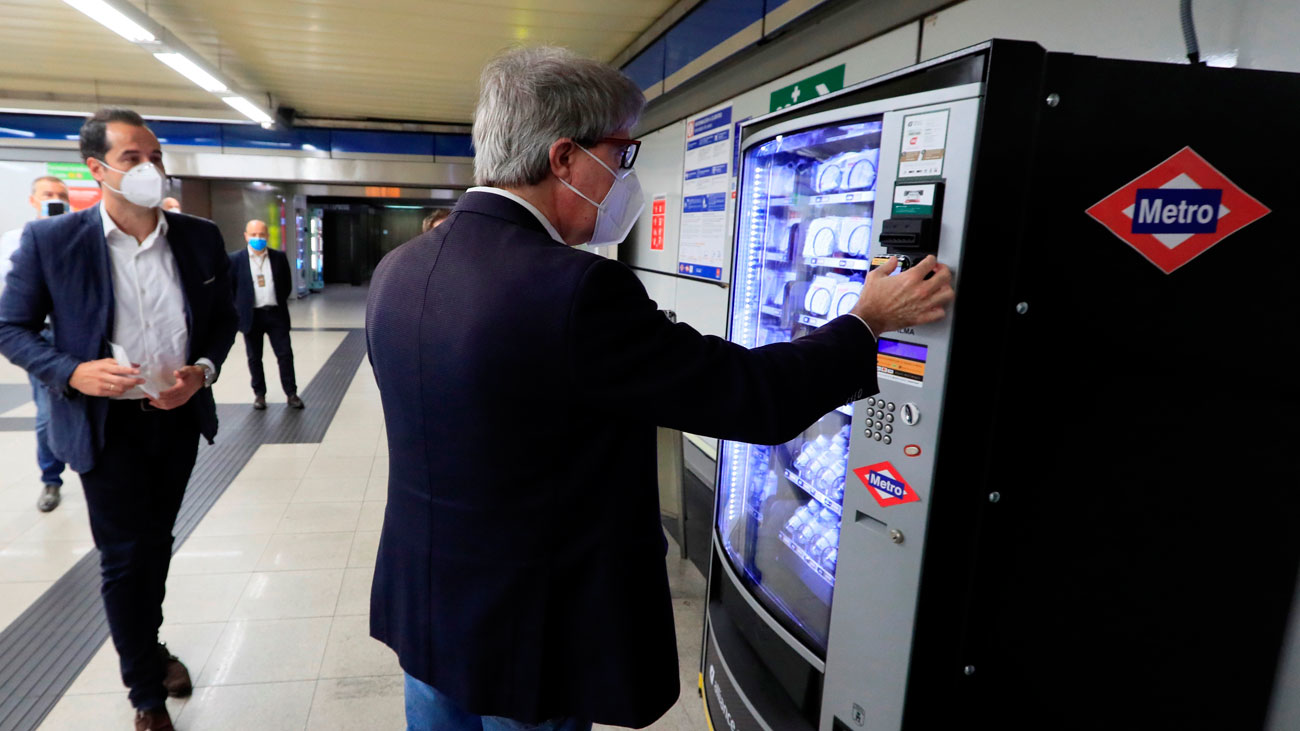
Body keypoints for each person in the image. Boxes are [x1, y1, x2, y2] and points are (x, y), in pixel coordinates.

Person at [365, 47, 954, 731]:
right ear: (565, 158)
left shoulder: (400, 269)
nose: (626, 175)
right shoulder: (575, 290)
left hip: (425, 607)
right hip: (523, 633)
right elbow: (752, 396)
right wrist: (865, 321)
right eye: (623, 152)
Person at [0, 107, 238, 731]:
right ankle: (146, 695)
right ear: (97, 169)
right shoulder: (53, 242)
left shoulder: (199, 238)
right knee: (125, 556)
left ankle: (150, 647)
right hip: (105, 426)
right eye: (132, 157)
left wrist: (202, 371)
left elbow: (222, 320)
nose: (149, 167)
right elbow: (11, 327)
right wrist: (73, 371)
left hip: (174, 417)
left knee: (156, 543)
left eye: (154, 156)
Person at [0, 176, 72, 512]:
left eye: (61, 194)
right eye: (48, 194)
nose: (55, 199)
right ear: (33, 200)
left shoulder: (80, 236)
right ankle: (51, 478)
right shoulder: (14, 240)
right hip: (41, 337)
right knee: (46, 414)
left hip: (77, 334)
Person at [229, 219, 302, 410]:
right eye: (253, 235)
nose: (258, 238)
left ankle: (291, 393)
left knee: (285, 354)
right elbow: (230, 289)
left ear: (268, 236)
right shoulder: (235, 260)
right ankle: (259, 394)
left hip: (276, 314)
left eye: (261, 234)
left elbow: (286, 285)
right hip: (251, 316)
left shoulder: (279, 257)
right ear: (246, 236)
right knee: (254, 357)